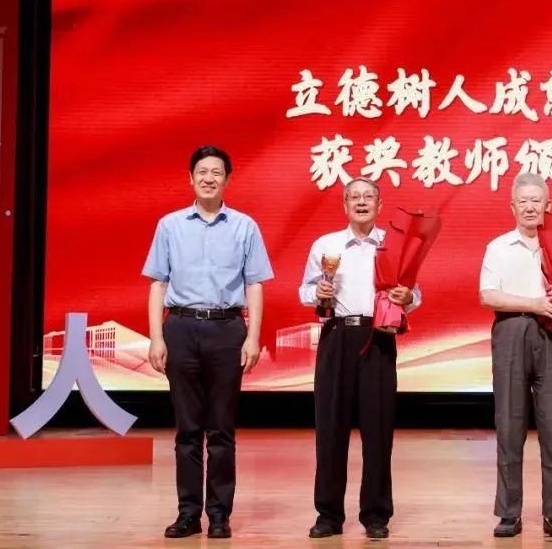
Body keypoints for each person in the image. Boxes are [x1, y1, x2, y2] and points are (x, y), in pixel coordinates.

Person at [143, 145, 274, 540]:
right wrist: (156, 336)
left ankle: (219, 514)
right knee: (187, 429)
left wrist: (253, 336)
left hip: (226, 329)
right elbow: (158, 283)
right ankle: (188, 513)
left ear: (227, 180)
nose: (209, 178)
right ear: (191, 178)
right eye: (202, 171)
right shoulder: (169, 225)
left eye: (217, 172)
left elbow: (254, 284)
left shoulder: (244, 226)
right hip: (181, 327)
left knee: (221, 429)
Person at [478, 172, 552, 538]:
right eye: (523, 201)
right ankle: (508, 513)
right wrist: (534, 304)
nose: (530, 207)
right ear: (512, 207)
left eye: (536, 201)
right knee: (509, 424)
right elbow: (487, 295)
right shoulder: (499, 247)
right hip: (512, 331)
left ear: (548, 205)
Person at [300, 177, 420, 540]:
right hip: (337, 336)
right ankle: (328, 515)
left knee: (378, 430)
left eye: (369, 197)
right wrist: (317, 292)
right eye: (355, 197)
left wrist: (406, 297)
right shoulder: (327, 244)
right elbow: (305, 289)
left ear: (380, 205)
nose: (362, 202)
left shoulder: (393, 246)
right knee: (330, 429)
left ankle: (376, 514)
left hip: (378, 337)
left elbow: (415, 292)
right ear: (345, 205)